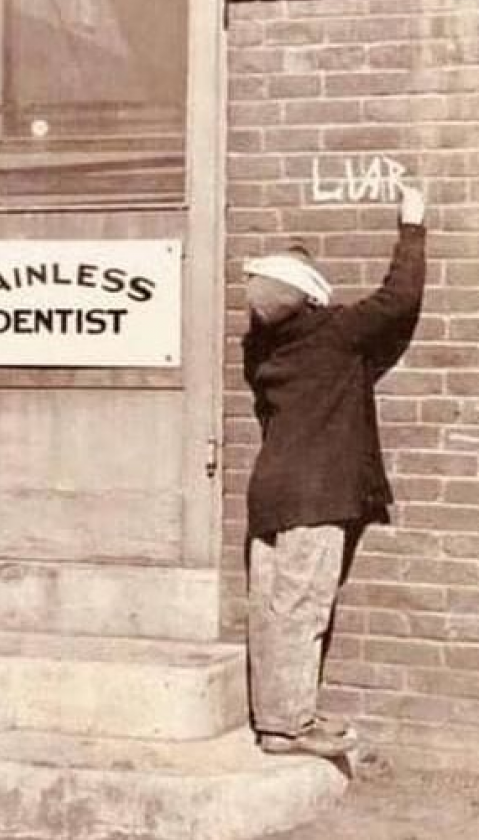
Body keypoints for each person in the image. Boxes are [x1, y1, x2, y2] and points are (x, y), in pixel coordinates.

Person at [242, 186, 426, 757]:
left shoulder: (260, 351)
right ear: (312, 297)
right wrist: (412, 228)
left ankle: (274, 718)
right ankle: (291, 726)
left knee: (270, 610)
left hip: (269, 491)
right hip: (317, 495)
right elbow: (399, 299)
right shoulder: (337, 335)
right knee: (303, 608)